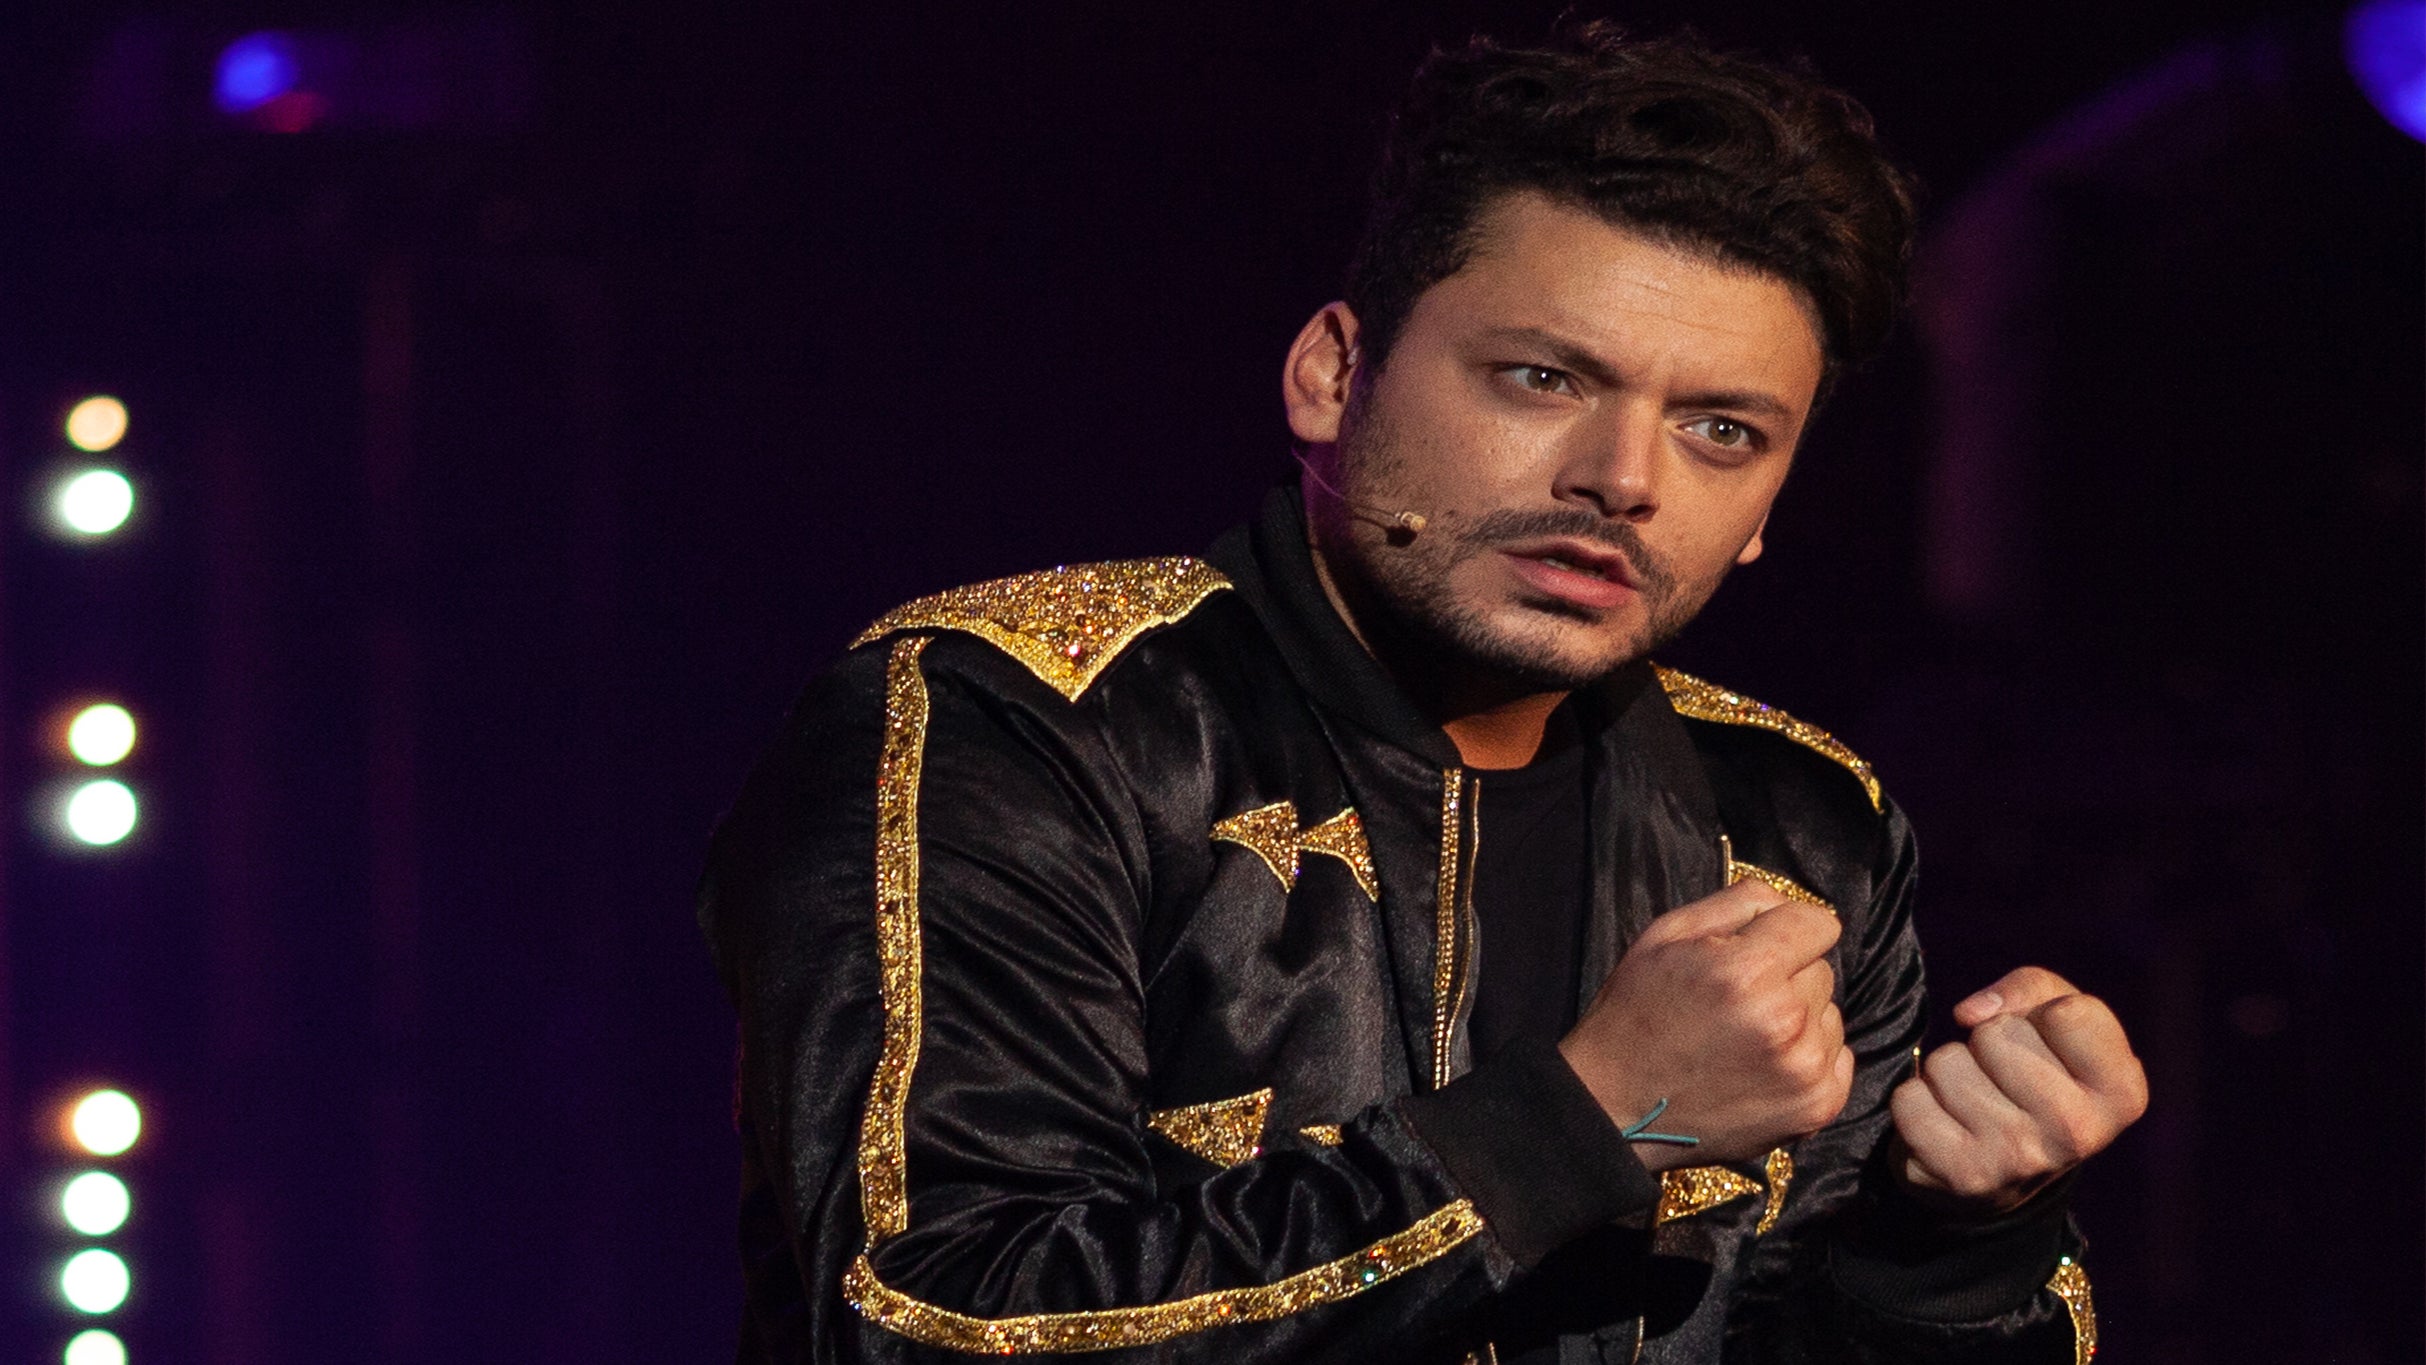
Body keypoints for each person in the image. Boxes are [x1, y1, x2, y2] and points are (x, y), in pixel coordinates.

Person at [697, 22, 2148, 1364]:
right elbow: (922, 1324)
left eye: (1720, 429)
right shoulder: (1024, 717)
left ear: (1770, 504)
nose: (1623, 480)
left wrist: (1953, 1246)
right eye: (1541, 378)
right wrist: (1590, 1117)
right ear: (1333, 375)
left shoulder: (1797, 821)